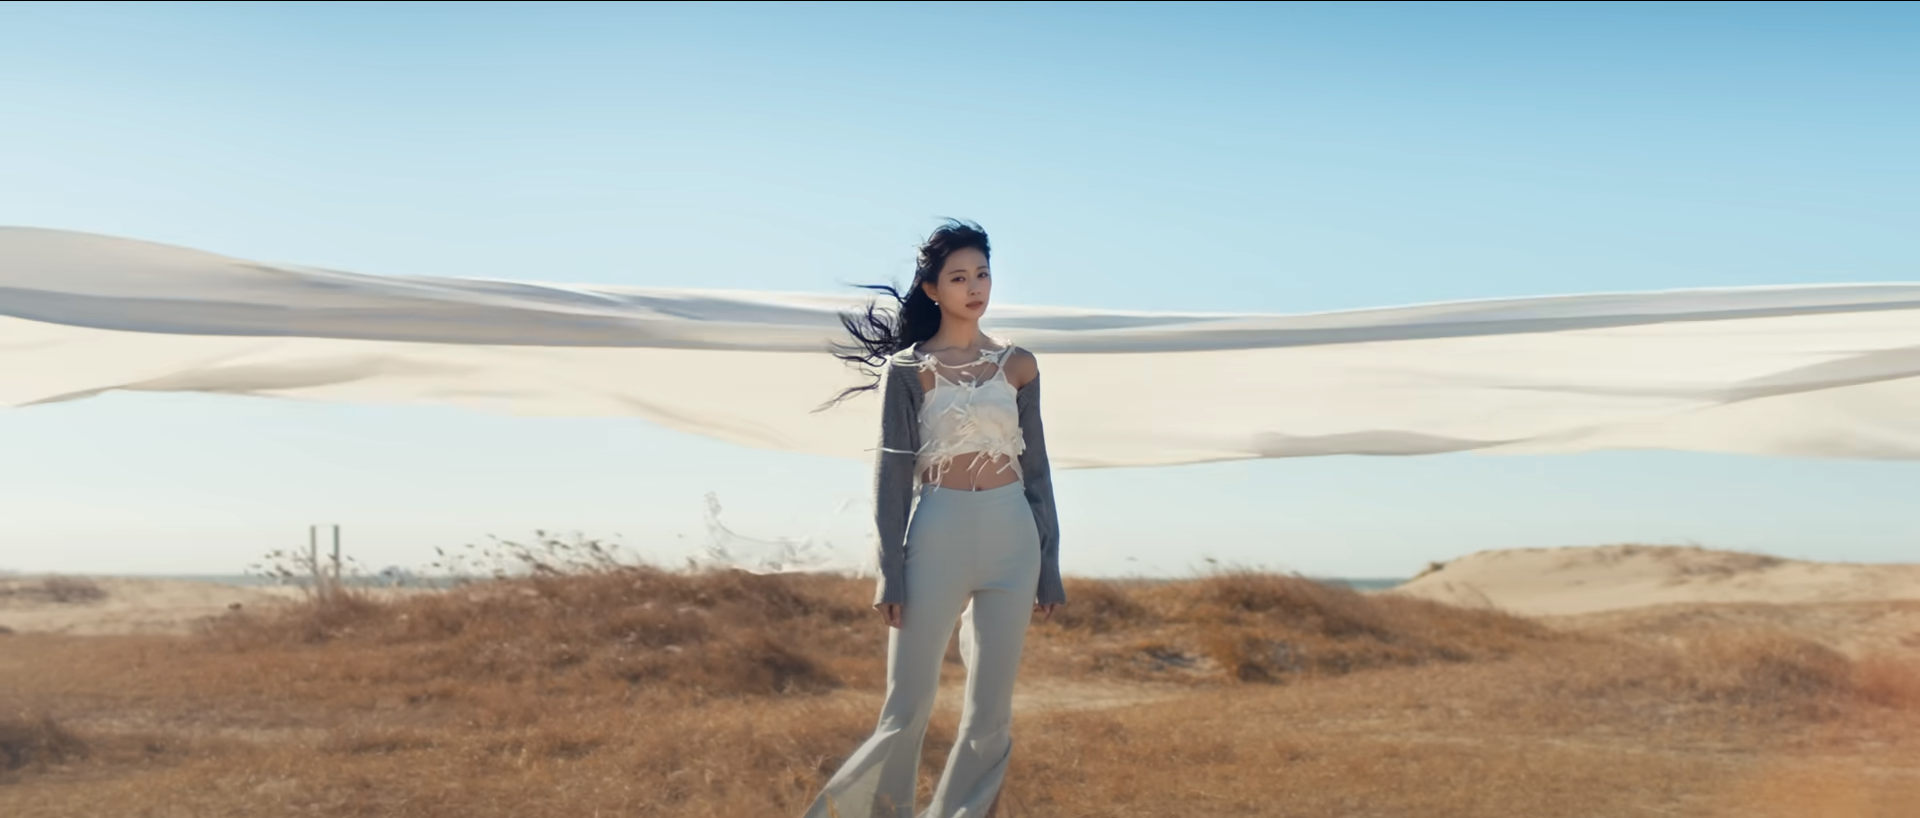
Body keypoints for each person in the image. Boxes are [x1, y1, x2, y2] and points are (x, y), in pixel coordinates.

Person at [803, 220, 1066, 818]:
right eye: (959, 277)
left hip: (1012, 538)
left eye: (982, 274)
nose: (975, 287)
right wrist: (888, 572)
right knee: (905, 707)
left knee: (990, 713)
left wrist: (1049, 565)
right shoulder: (907, 369)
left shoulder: (1019, 365)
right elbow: (891, 479)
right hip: (938, 531)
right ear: (932, 290)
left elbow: (1040, 475)